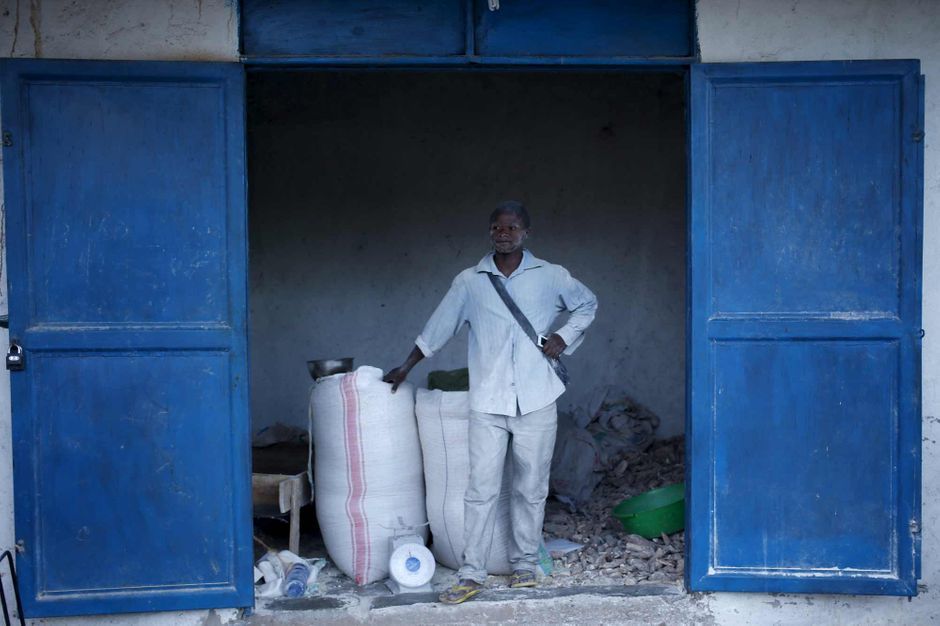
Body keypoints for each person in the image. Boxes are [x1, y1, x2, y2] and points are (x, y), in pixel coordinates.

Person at [384, 200, 598, 604]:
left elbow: (587, 304)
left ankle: (524, 567)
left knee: (531, 488)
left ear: (526, 233)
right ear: (490, 233)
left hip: (537, 398)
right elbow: (438, 328)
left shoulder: (550, 276)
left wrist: (564, 336)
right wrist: (406, 366)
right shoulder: (469, 281)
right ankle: (471, 572)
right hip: (488, 401)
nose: (504, 233)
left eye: (512, 227)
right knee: (480, 490)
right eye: (497, 228)